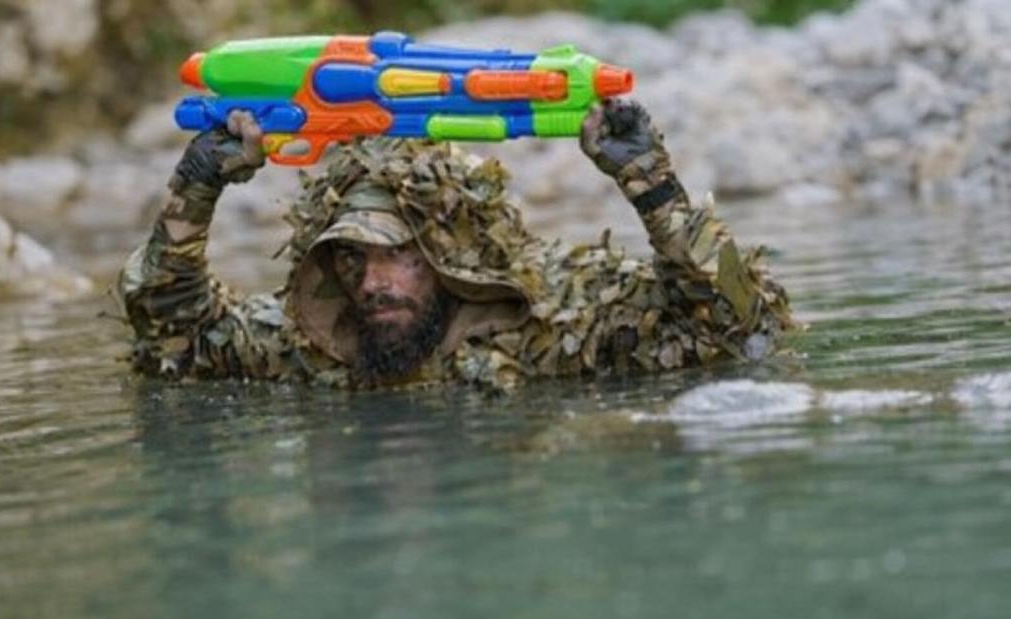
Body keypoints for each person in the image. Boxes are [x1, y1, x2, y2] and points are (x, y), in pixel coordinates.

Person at [116, 99, 794, 392]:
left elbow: (736, 329)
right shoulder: (313, 343)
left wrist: (651, 185)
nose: (372, 282)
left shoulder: (556, 323)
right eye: (352, 257)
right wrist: (195, 187)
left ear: (452, 258)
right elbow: (174, 341)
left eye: (400, 254)